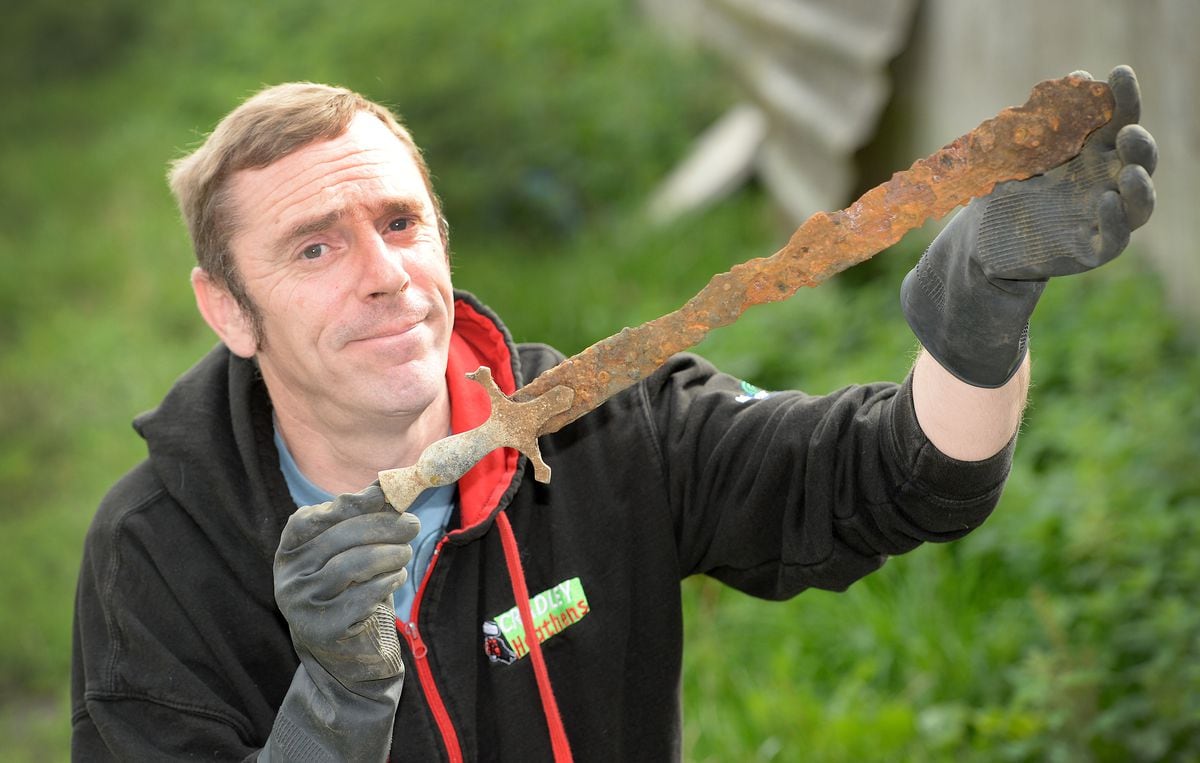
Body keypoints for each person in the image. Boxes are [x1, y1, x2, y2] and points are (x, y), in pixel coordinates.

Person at [71, 65, 1156, 761]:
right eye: (315, 245)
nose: (385, 273)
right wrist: (333, 708)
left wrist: (977, 326)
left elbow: (890, 476)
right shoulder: (162, 552)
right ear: (229, 308)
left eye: (401, 222)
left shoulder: (595, 424)